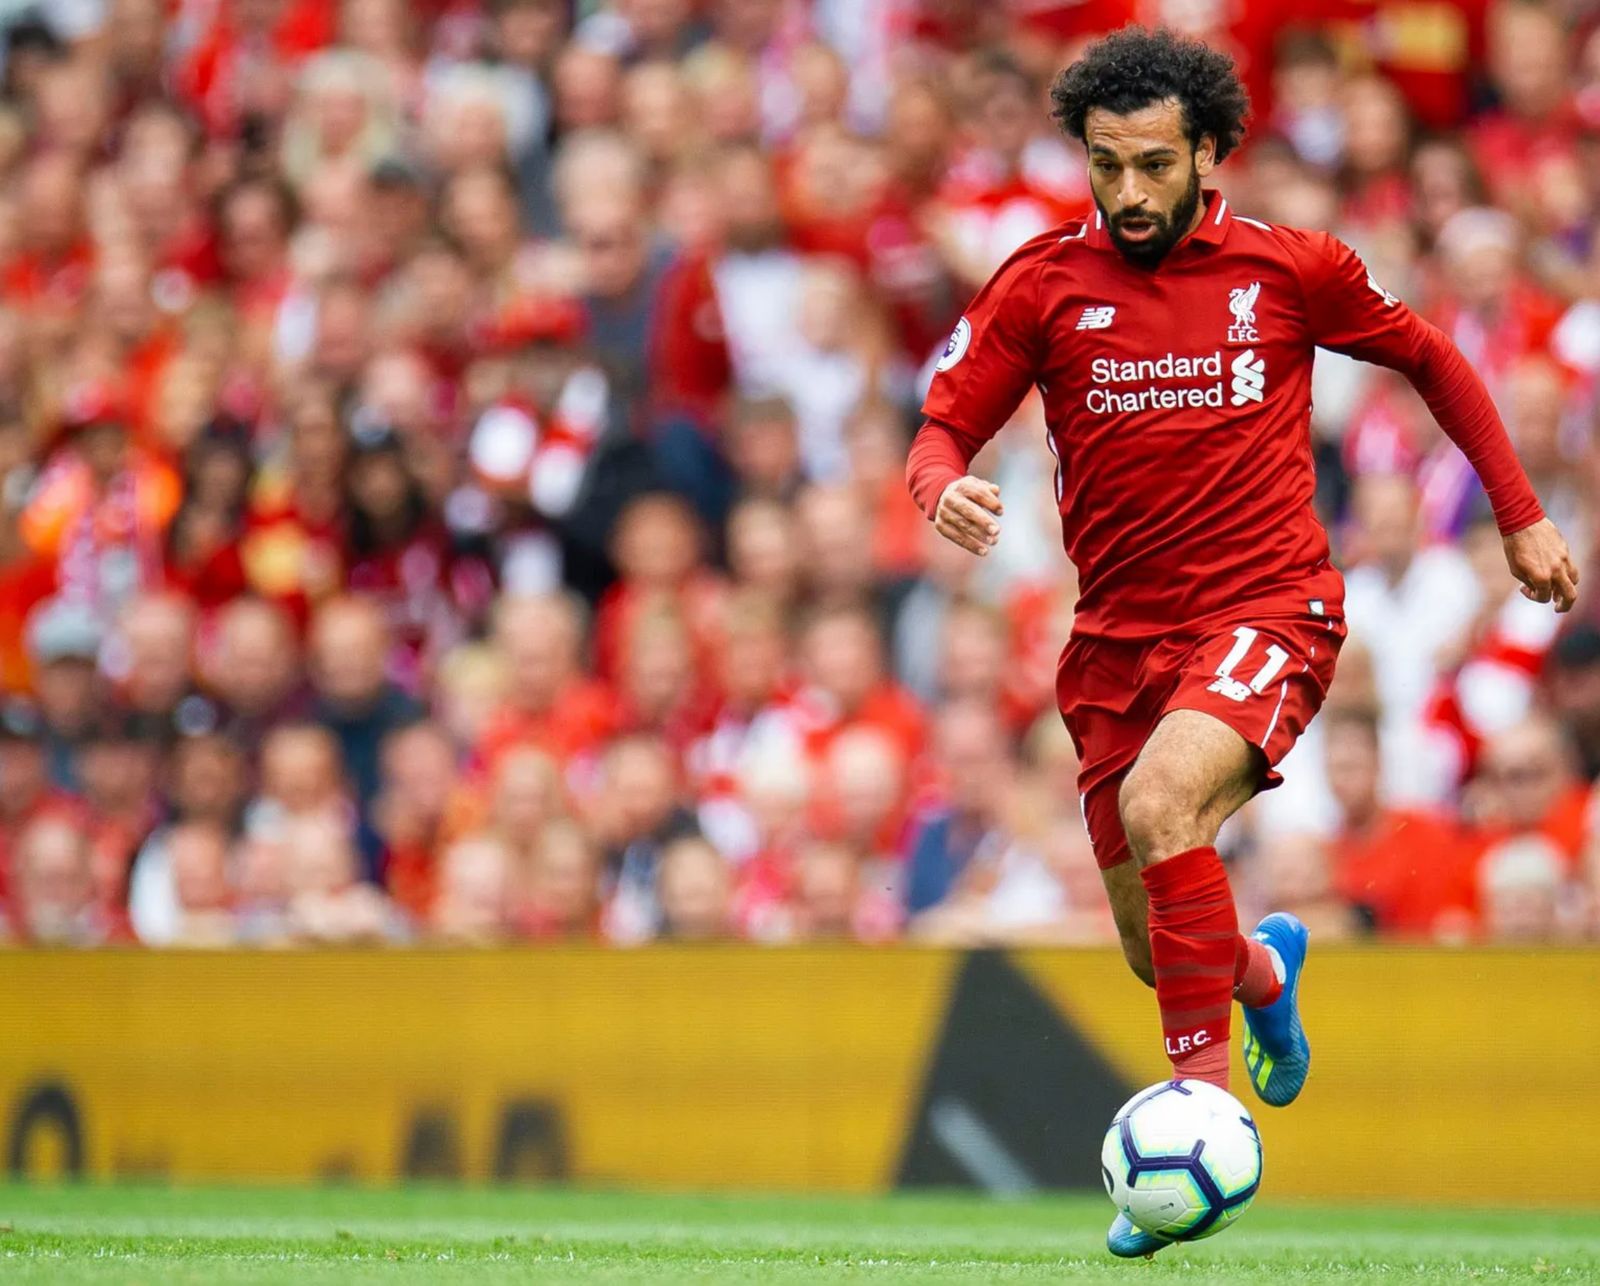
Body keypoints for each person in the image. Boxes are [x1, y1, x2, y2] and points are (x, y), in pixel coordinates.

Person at [904, 27, 1579, 1260]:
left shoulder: (1288, 269)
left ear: (1210, 153)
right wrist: (937, 481)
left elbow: (1431, 355)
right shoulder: (1042, 283)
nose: (1128, 192)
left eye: (1154, 164)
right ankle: (1262, 974)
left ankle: (1197, 1119)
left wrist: (1520, 513)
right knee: (1152, 946)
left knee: (1171, 804)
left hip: (1269, 609)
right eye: (1105, 164)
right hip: (1114, 644)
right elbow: (942, 420)